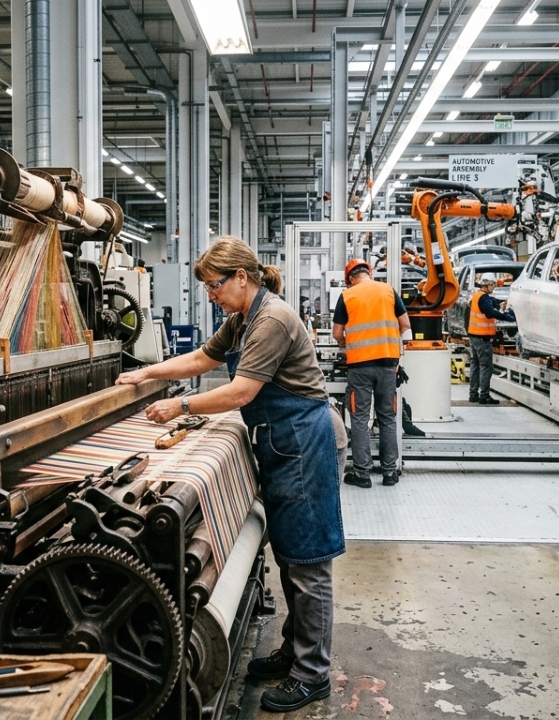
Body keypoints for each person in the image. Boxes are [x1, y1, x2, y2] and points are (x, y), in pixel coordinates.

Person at [116, 237, 343, 712]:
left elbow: (240, 392)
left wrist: (178, 404)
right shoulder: (241, 319)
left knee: (308, 561)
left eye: (214, 285)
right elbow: (203, 360)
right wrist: (145, 374)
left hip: (304, 442)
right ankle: (295, 653)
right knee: (289, 555)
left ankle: (313, 674)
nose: (211, 295)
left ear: (242, 277)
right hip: (282, 441)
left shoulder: (272, 319)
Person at [331, 258, 411, 488]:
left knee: (359, 418)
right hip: (388, 365)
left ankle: (362, 475)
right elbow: (405, 324)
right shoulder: (388, 291)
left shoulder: (347, 296)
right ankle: (389, 473)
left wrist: (349, 343)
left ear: (350, 279)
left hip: (360, 368)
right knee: (387, 418)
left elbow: (337, 333)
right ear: (368, 273)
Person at [468, 273, 516, 404]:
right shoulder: (483, 298)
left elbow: (493, 301)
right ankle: (484, 395)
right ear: (488, 285)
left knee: (476, 365)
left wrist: (502, 303)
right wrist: (507, 317)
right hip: (482, 338)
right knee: (486, 366)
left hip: (474, 335)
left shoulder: (478, 295)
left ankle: (473, 394)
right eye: (493, 285)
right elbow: (490, 312)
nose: (494, 287)